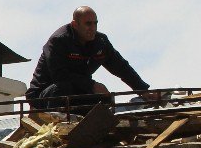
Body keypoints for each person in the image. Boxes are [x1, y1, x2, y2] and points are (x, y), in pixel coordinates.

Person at [26, 6, 156, 110]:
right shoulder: (58, 41)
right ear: (75, 24)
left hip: (78, 92)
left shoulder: (101, 42)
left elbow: (121, 67)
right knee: (62, 88)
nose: (92, 28)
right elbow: (60, 75)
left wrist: (142, 90)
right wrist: (91, 85)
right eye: (88, 24)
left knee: (105, 99)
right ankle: (58, 123)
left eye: (95, 23)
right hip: (44, 96)